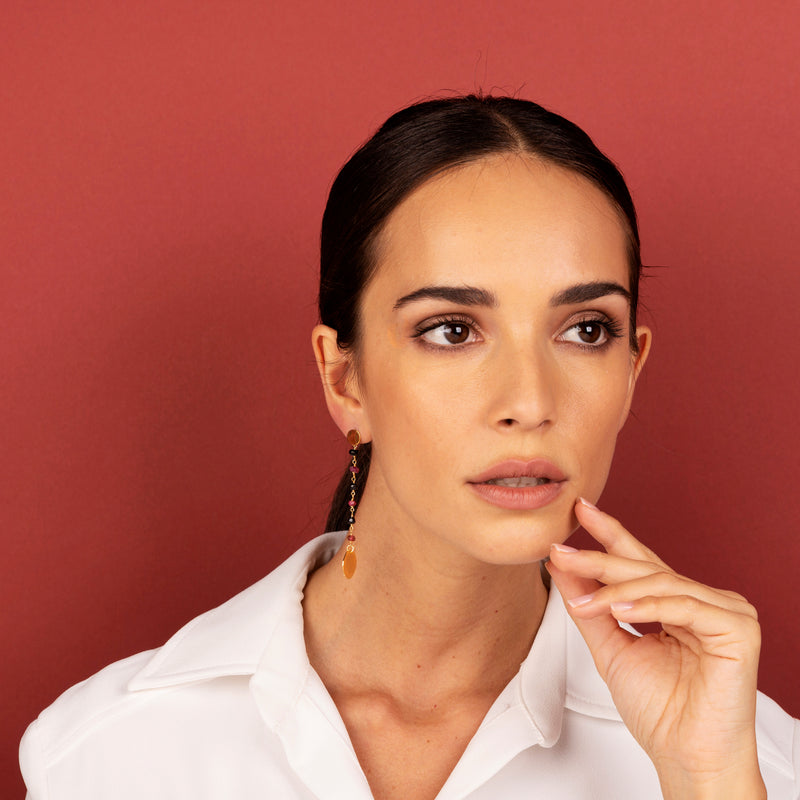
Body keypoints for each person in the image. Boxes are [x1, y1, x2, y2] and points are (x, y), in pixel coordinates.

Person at [19, 95, 799, 799]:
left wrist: (708, 783)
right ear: (343, 377)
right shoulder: (110, 753)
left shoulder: (748, 758)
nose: (529, 402)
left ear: (631, 371)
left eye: (585, 330)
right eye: (452, 331)